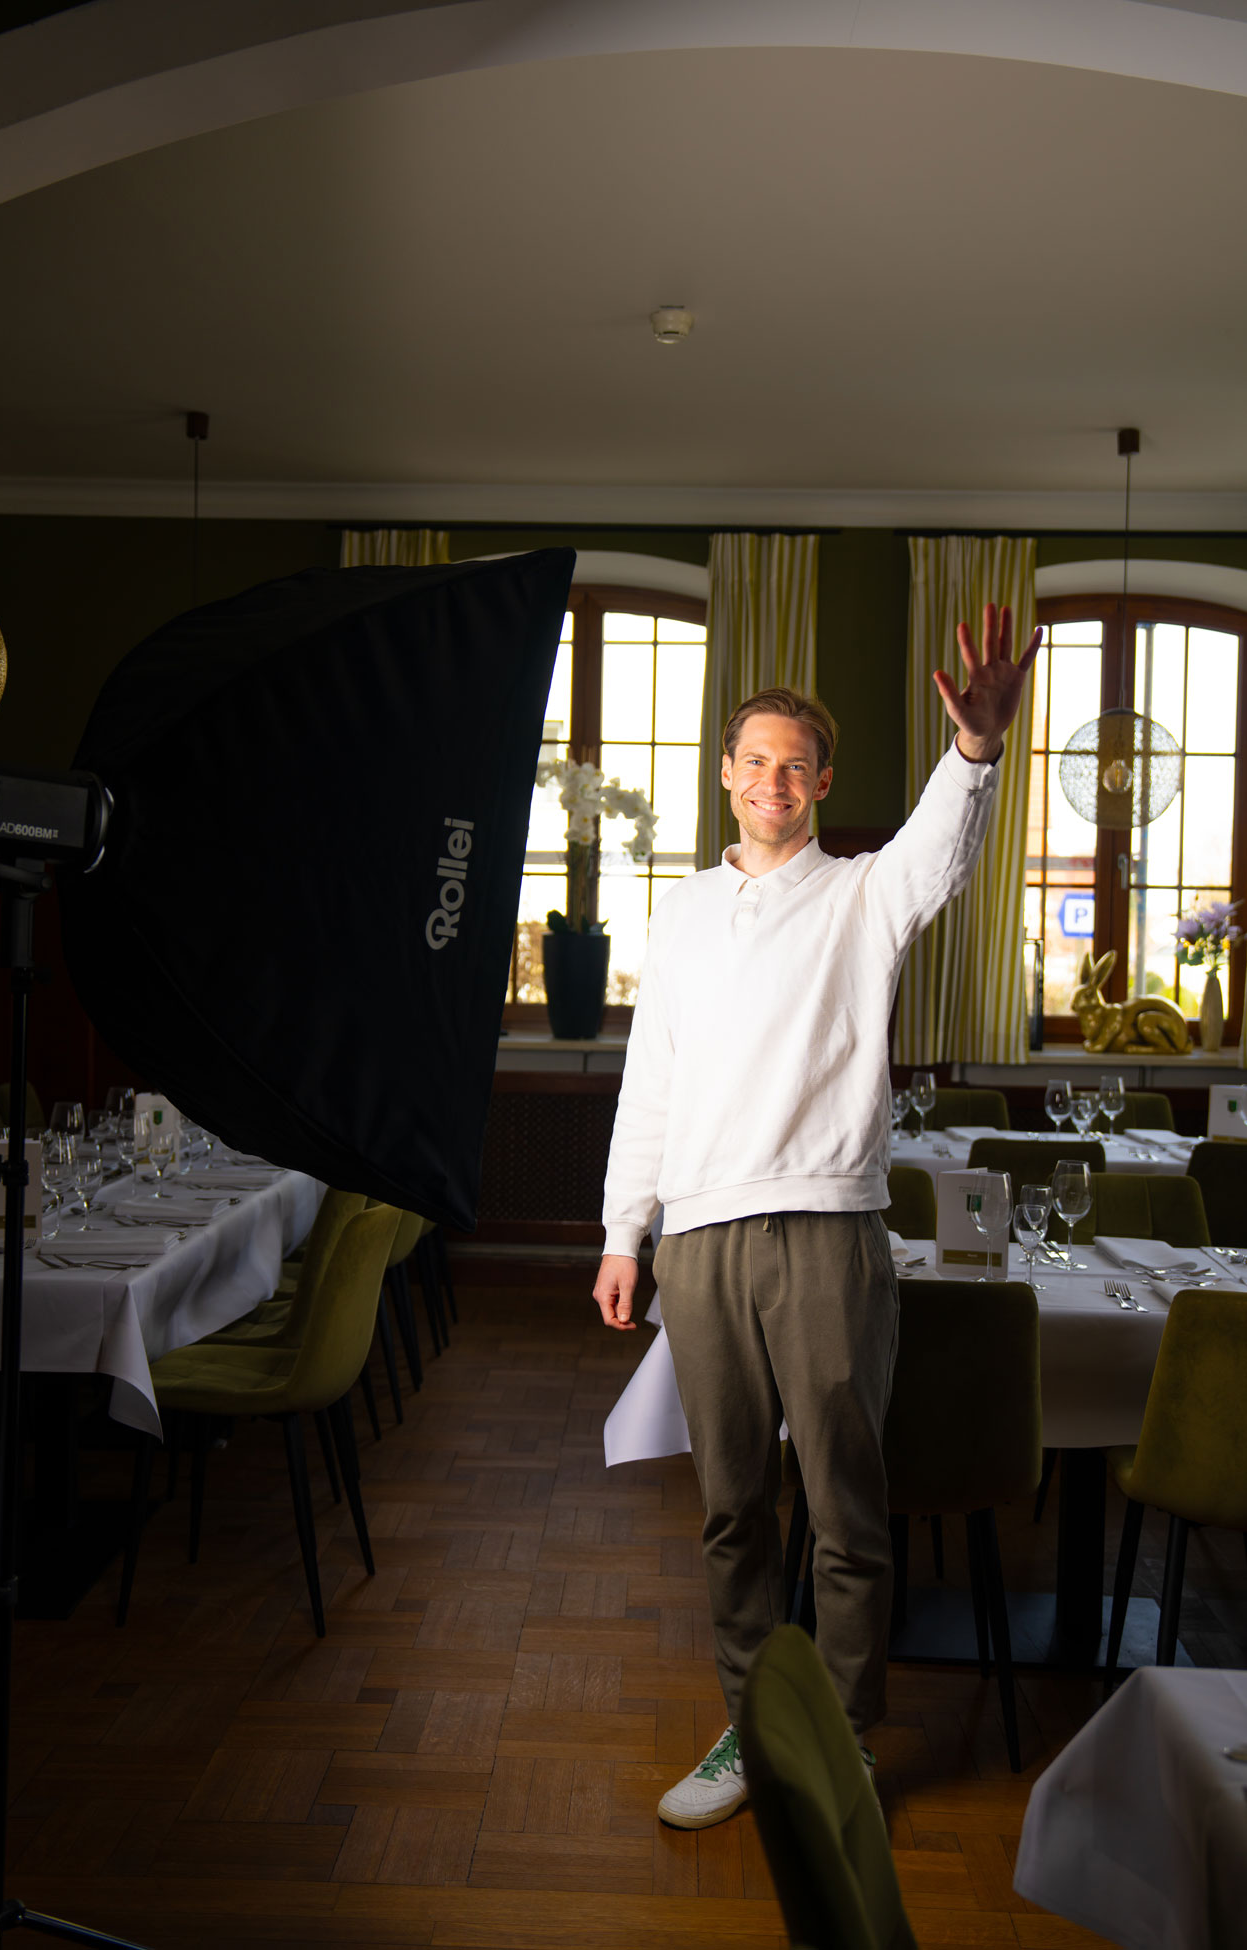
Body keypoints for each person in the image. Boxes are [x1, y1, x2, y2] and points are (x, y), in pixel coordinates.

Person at [593, 603, 1041, 1829]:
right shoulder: (679, 913)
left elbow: (943, 851)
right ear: (725, 776)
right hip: (696, 1241)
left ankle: (840, 1744)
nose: (772, 780)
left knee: (844, 1512)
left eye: (795, 765)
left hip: (828, 1233)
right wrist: (622, 1233)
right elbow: (653, 1081)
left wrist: (976, 753)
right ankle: (752, 1731)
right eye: (753, 761)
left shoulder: (863, 897)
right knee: (731, 1510)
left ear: (819, 783)